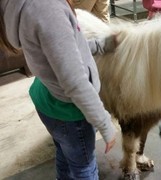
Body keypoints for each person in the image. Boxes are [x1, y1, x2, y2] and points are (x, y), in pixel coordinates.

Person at [0, 0, 116, 179]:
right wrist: (105, 124)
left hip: (47, 99)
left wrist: (99, 45)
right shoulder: (46, 8)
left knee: (65, 154)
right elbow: (75, 82)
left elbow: (63, 45)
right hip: (70, 113)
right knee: (84, 168)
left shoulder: (22, 5)